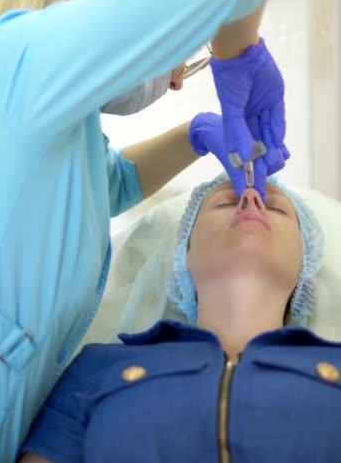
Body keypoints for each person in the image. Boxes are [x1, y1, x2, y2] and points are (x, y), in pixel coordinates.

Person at [0, 0, 291, 459]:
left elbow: (108, 186)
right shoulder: (20, 56)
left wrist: (195, 133)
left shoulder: (58, 113)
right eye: (185, 44)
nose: (179, 79)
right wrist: (238, 54)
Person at [19, 173, 336, 463]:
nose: (250, 199)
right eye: (225, 202)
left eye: (277, 209)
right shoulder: (95, 368)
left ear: (306, 273)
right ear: (183, 259)